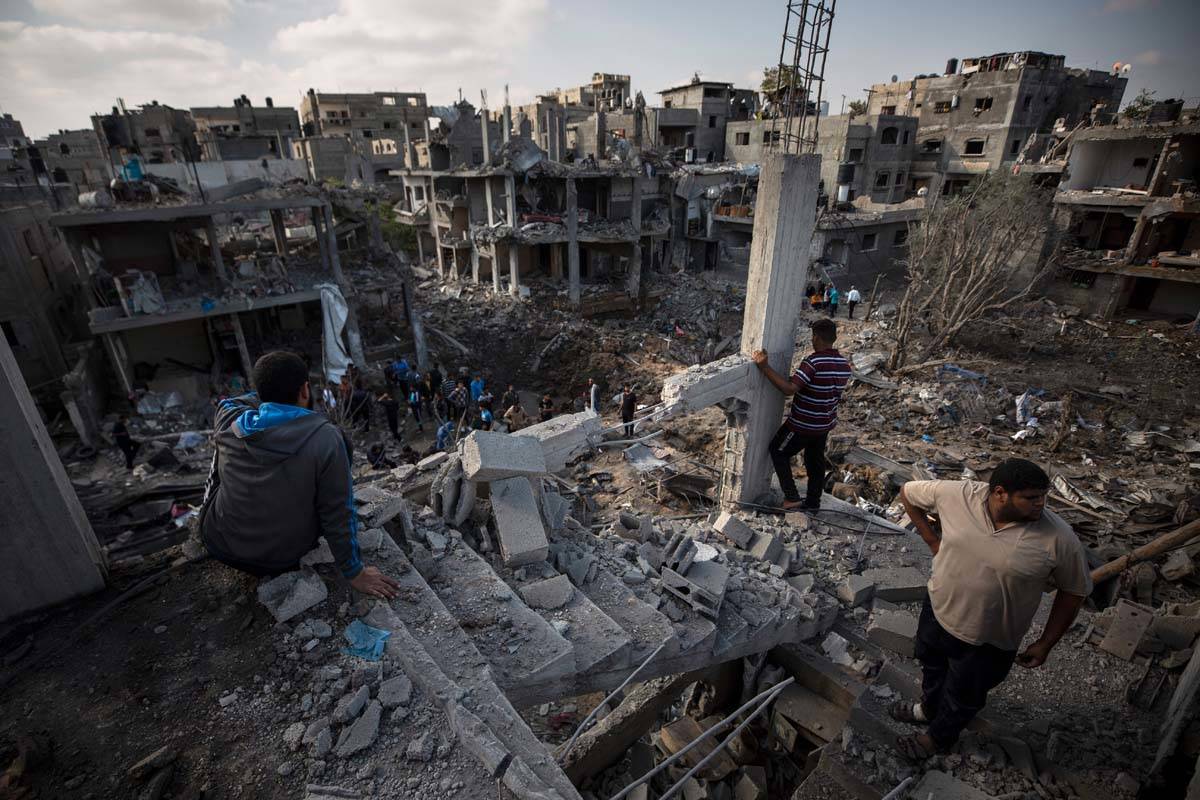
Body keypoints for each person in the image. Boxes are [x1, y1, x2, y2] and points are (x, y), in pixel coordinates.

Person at [890, 459, 1091, 760]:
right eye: (1031, 498)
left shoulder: (1059, 539)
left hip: (988, 639)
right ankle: (928, 710)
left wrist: (1046, 642)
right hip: (939, 610)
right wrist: (932, 540)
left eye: (1043, 496)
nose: (1042, 504)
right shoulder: (956, 495)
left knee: (964, 696)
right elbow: (907, 492)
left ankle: (937, 739)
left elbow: (1073, 591)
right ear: (1000, 493)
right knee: (932, 667)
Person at [199, 351, 399, 599]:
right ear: (305, 390)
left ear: (260, 393)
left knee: (223, 456)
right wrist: (354, 572)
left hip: (219, 542)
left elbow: (232, 401)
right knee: (326, 492)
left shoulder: (227, 416)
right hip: (281, 559)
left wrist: (267, 393)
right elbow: (337, 513)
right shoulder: (326, 439)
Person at [751, 317, 850, 511]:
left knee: (778, 450)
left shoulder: (813, 362)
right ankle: (813, 503)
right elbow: (819, 386)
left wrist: (765, 368)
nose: (812, 341)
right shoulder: (843, 364)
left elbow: (789, 389)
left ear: (816, 337)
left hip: (803, 424)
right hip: (824, 424)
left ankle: (792, 497)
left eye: (813, 337)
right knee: (815, 462)